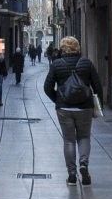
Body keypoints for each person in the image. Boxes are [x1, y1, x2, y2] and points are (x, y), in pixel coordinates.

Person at [44, 35, 104, 186]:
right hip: (84, 107)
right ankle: (84, 164)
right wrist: (97, 104)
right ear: (77, 47)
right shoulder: (86, 63)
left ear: (63, 48)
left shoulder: (56, 64)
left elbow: (47, 87)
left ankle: (71, 174)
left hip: (64, 108)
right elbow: (97, 86)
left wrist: (58, 99)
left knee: (69, 140)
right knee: (84, 137)